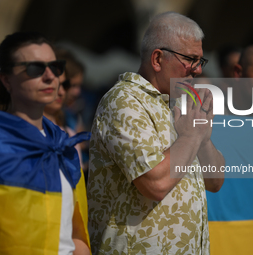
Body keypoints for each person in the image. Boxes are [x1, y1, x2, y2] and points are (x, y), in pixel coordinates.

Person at [87, 12, 224, 255]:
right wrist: (191, 136)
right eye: (190, 59)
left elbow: (215, 181)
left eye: (200, 61)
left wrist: (202, 133)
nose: (197, 71)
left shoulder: (176, 105)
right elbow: (155, 183)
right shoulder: (124, 101)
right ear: (158, 59)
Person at [0, 31, 91, 255]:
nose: (50, 76)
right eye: (35, 68)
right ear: (6, 79)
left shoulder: (62, 145)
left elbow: (76, 234)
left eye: (56, 67)